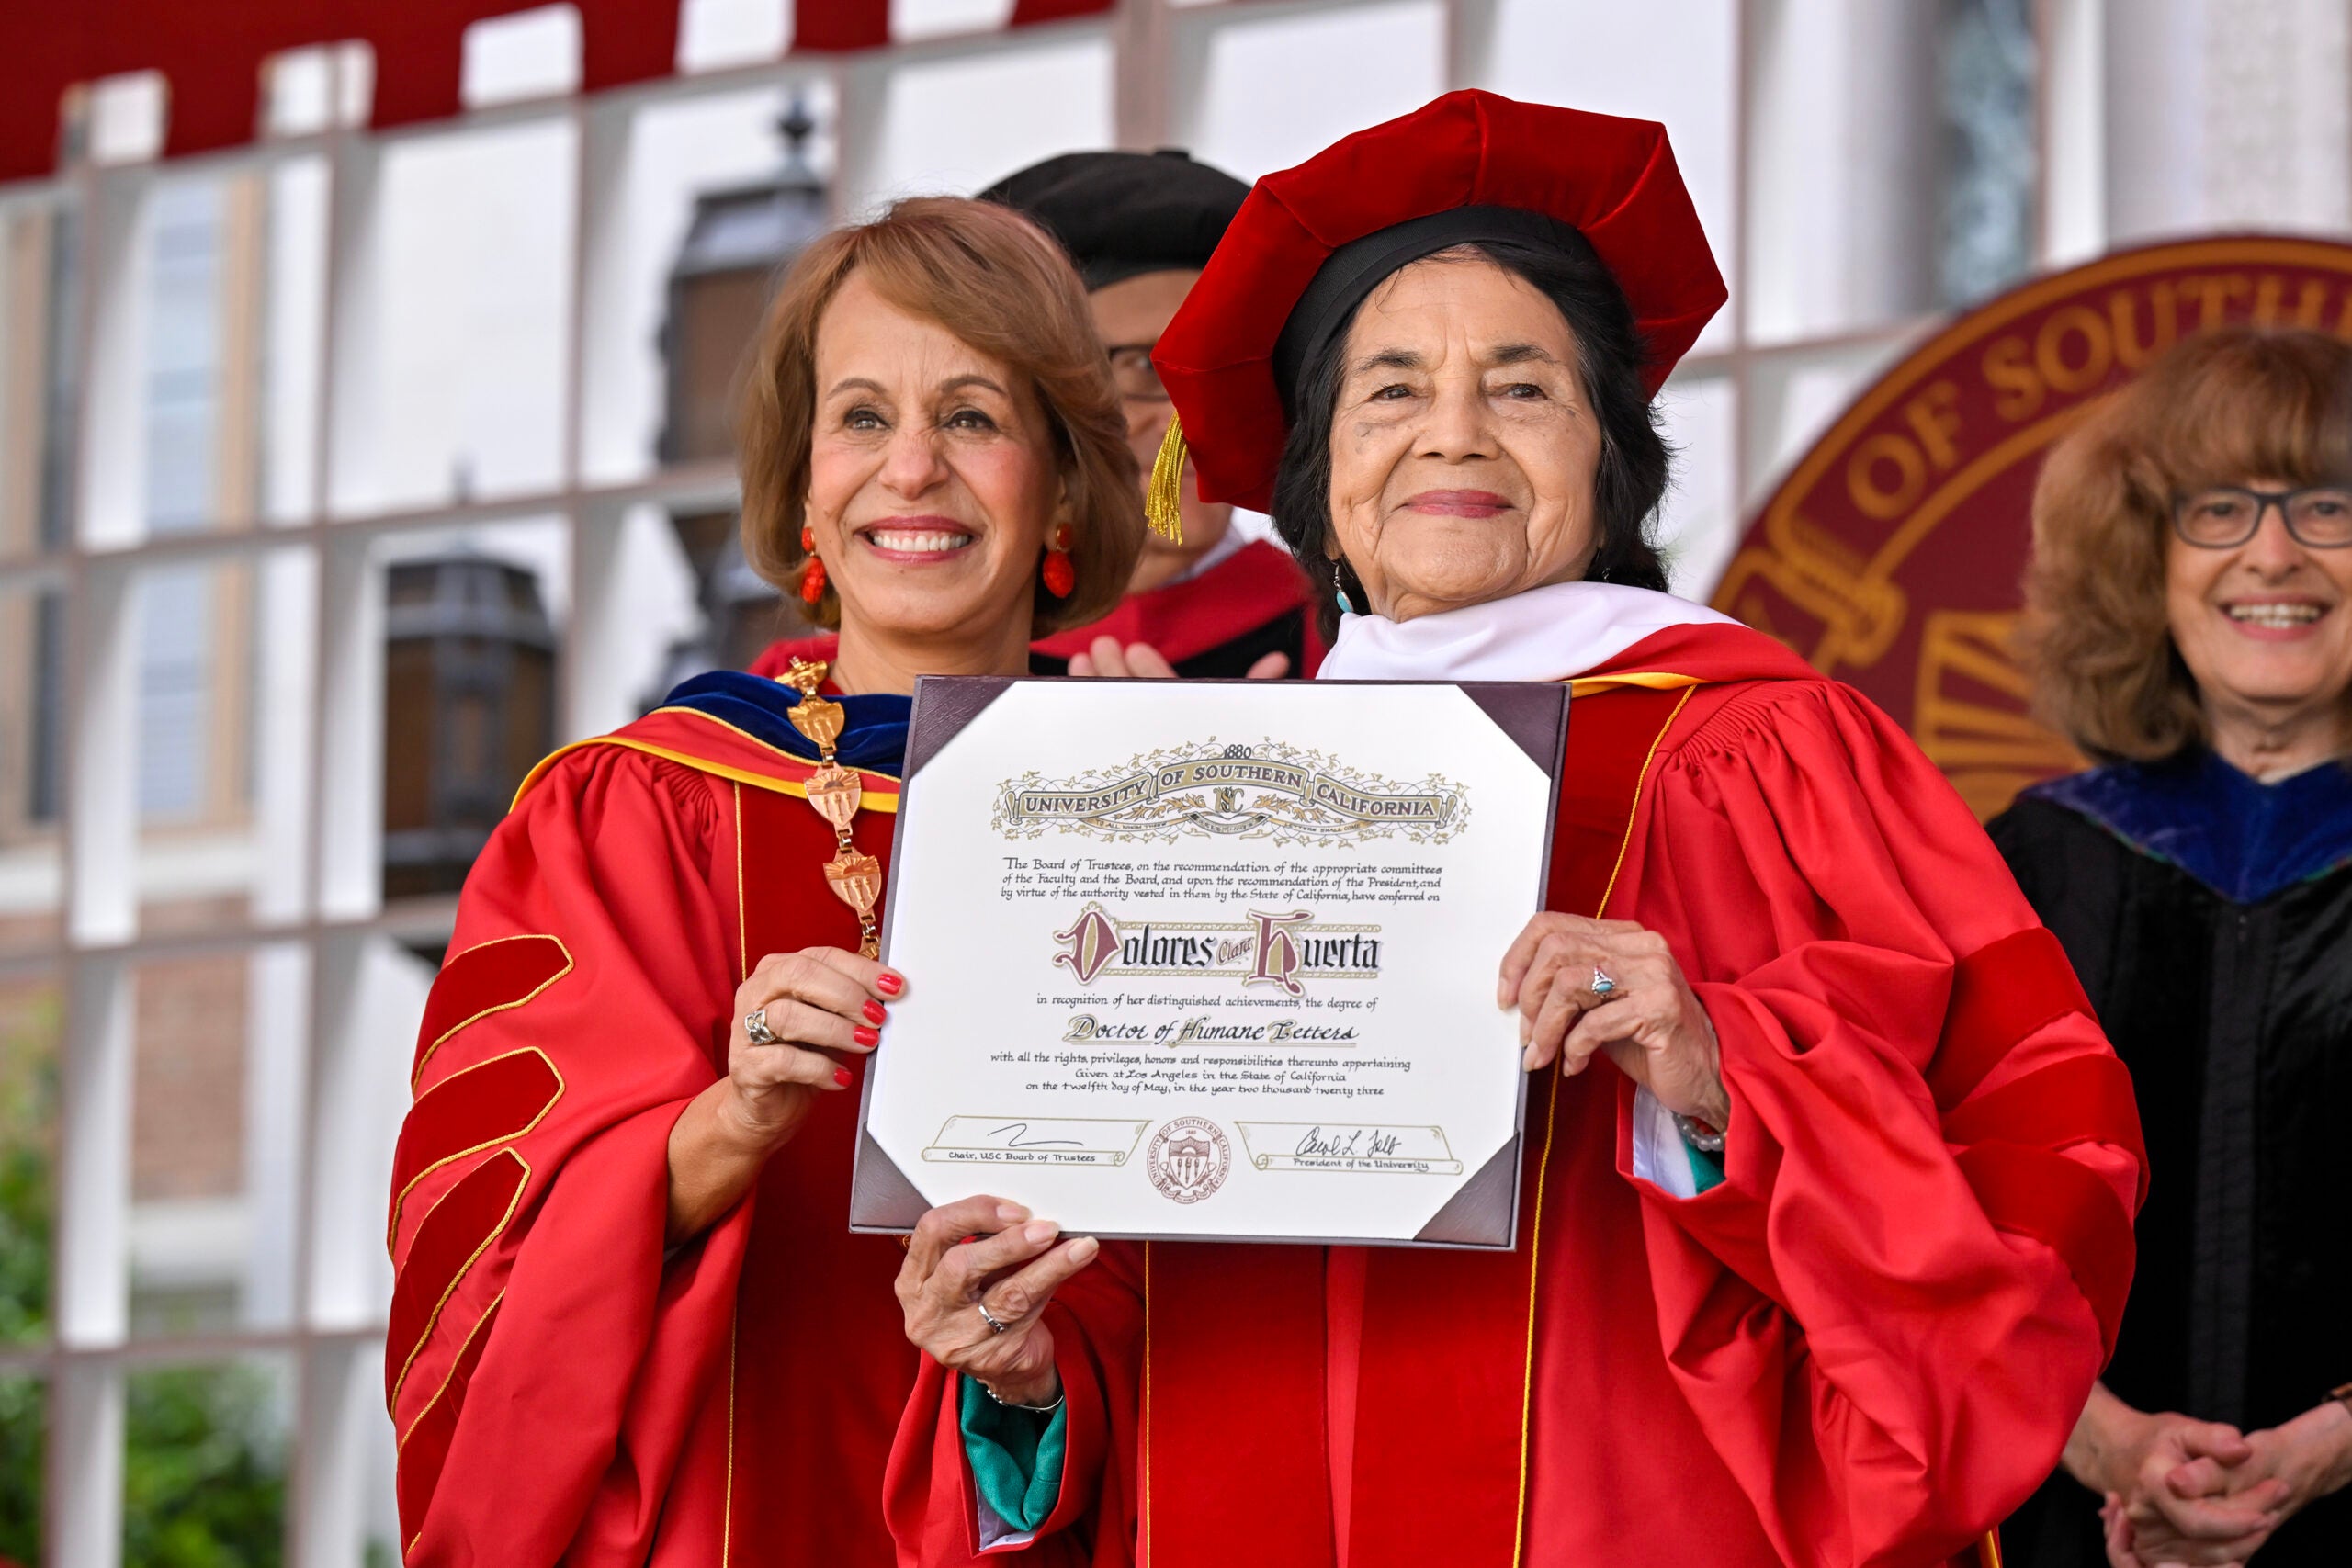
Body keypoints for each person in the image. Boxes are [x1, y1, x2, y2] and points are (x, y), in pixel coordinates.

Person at [883, 90, 2146, 1568]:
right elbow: (1124, 1268)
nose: (1455, 435)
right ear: (1321, 474)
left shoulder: (1759, 745)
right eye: (1393, 389)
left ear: (1612, 454)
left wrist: (1720, 1070)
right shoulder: (1181, 795)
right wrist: (1024, 1368)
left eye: (1524, 386)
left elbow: (2040, 1147)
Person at [384, 197, 1141, 1565]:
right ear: (802, 484)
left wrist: (1031, 1380)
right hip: (735, 1505)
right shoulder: (630, 813)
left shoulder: (1175, 808)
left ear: (1063, 480)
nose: (910, 467)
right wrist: (733, 1118)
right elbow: (481, 1252)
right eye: (860, 417)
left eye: (972, 416)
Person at [1989, 328, 2352, 1568]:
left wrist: (2333, 1442)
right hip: (2073, 1519)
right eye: (2217, 510)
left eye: (2327, 506)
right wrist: (2100, 1439)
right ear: (2147, 564)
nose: (2272, 552)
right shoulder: (2025, 869)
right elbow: (1922, 1212)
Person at [750, 150, 1322, 683]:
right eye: (1144, 370)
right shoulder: (802, 708)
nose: (1188, 418)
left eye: (1215, 373)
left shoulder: (1342, 660)